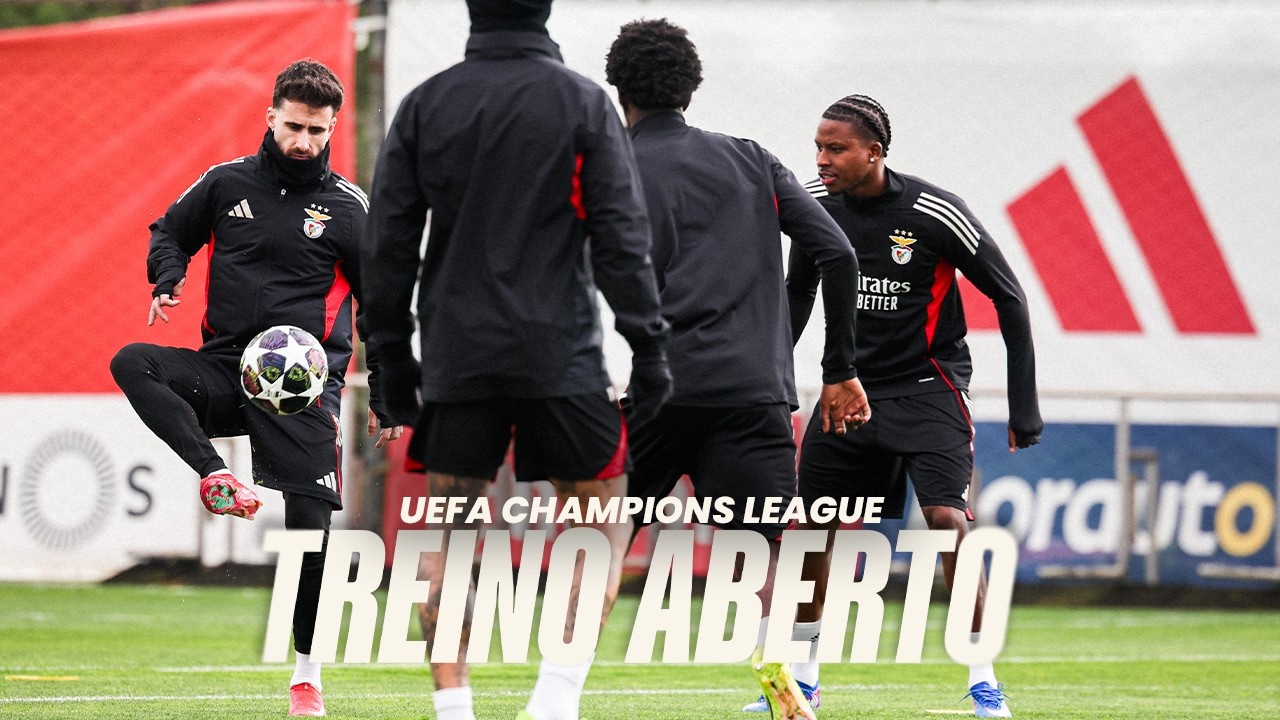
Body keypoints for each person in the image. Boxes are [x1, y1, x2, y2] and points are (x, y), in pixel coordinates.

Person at [360, 2, 672, 720]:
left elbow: (389, 243)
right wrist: (649, 347)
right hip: (559, 354)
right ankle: (554, 704)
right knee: (602, 522)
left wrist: (389, 357)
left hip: (456, 354)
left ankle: (455, 709)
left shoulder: (425, 103)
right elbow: (622, 238)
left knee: (449, 531)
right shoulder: (582, 103)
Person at [109, 59, 401, 717]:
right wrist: (166, 274)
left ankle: (306, 676)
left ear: (331, 129)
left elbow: (383, 305)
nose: (304, 142)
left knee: (310, 530)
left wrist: (384, 389)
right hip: (224, 371)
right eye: (294, 126)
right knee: (134, 361)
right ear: (272, 117)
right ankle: (215, 475)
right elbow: (170, 232)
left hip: (300, 388)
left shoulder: (350, 208)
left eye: (317, 131)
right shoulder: (224, 183)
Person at [602, 19, 869, 720]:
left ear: (618, 86)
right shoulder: (752, 160)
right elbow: (836, 252)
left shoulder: (610, 166)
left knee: (601, 541)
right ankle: (782, 675)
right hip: (753, 393)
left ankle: (557, 696)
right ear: (691, 85)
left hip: (658, 390)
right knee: (766, 553)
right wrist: (836, 365)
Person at [780, 94, 1043, 719]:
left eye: (835, 147)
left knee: (948, 525)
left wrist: (1023, 405)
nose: (822, 159)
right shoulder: (815, 211)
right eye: (818, 146)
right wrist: (771, 381)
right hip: (848, 392)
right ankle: (802, 684)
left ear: (874, 152)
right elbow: (795, 297)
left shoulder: (933, 211)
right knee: (813, 533)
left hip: (927, 389)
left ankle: (984, 684)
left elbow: (1010, 299)